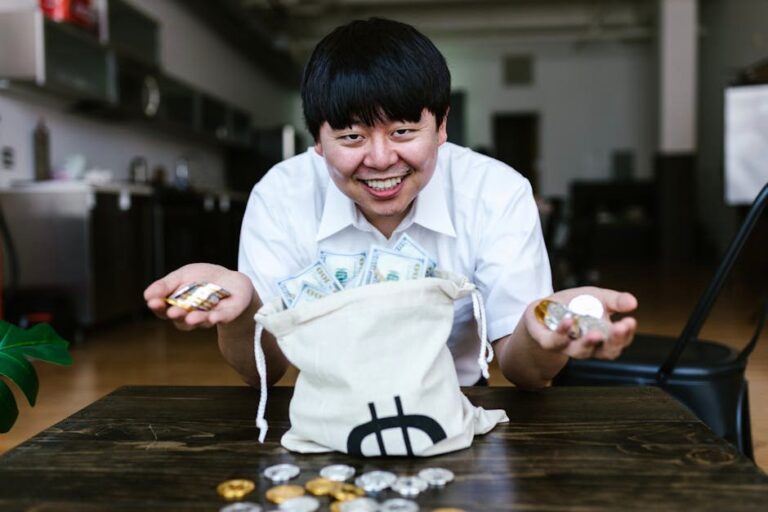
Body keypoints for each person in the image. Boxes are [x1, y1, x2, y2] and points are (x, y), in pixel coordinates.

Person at [144, 18, 637, 390]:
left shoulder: (496, 192)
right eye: (352, 136)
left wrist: (542, 331)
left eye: (403, 131)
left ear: (442, 125)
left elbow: (525, 372)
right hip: (323, 409)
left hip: (460, 402)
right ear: (318, 139)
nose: (381, 160)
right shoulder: (280, 195)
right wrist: (242, 309)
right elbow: (264, 374)